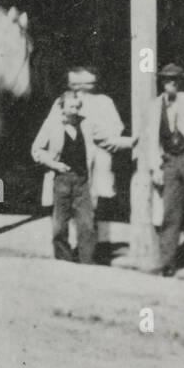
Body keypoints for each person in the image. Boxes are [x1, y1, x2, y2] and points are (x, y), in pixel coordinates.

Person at [31, 87, 132, 264]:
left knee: (86, 225)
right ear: (62, 108)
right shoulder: (52, 125)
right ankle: (64, 261)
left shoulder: (87, 124)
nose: (76, 111)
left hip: (82, 181)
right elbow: (36, 150)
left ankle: (87, 263)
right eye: (72, 107)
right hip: (61, 179)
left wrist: (132, 142)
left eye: (78, 107)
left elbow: (107, 141)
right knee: (60, 226)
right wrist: (54, 164)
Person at [145, 63, 184, 276]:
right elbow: (151, 141)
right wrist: (155, 167)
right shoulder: (155, 106)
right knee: (170, 213)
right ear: (162, 82)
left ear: (182, 81)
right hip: (169, 162)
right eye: (167, 79)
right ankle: (166, 263)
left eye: (175, 79)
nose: (171, 83)